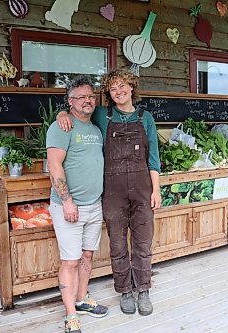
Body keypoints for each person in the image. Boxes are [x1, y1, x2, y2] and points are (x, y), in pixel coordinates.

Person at [58, 69, 161, 316]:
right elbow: (77, 110)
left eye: (123, 86)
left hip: (143, 188)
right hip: (112, 190)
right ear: (109, 93)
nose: (119, 91)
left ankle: (143, 289)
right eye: (113, 88)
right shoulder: (103, 115)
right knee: (117, 242)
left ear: (132, 87)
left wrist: (155, 190)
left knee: (143, 241)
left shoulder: (146, 117)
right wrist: (61, 112)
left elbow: (154, 159)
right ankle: (125, 290)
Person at [47, 76, 108, 333]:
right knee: (70, 261)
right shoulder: (61, 127)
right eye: (81, 97)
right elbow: (54, 165)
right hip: (69, 207)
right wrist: (67, 202)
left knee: (87, 256)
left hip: (95, 205)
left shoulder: (95, 129)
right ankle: (70, 314)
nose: (88, 100)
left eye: (91, 96)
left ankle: (82, 299)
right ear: (70, 102)